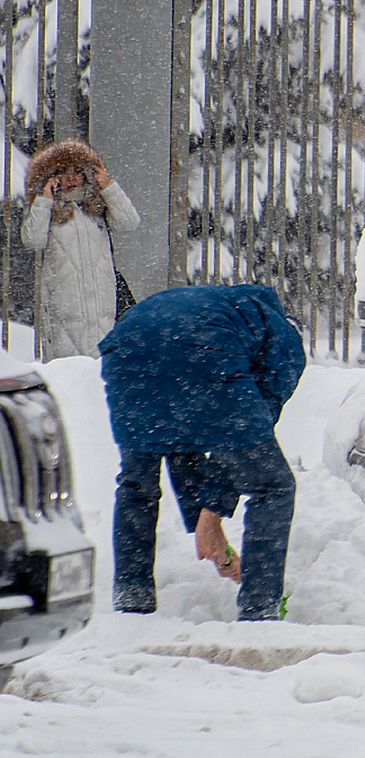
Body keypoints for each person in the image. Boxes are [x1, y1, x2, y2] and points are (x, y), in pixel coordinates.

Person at [99, 284, 306, 621]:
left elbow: (186, 441)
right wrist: (212, 512)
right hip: (202, 352)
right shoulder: (282, 341)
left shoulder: (226, 309)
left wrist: (208, 518)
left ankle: (131, 598)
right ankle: (260, 607)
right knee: (273, 486)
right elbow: (244, 437)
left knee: (138, 485)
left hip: (127, 354)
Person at [21, 139, 140, 359]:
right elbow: (33, 240)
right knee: (70, 374)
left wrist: (108, 186)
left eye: (77, 170)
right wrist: (45, 199)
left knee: (100, 373)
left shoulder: (96, 208)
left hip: (102, 308)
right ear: (51, 176)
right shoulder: (48, 211)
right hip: (65, 310)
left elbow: (130, 222)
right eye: (63, 172)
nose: (71, 178)